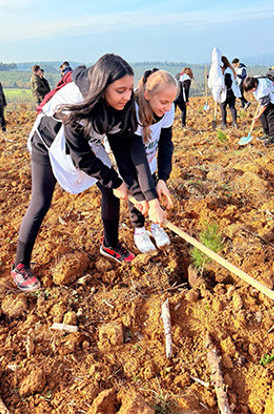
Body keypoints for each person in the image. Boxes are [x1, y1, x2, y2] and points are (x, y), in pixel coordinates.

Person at [13, 54, 167, 292]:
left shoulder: (121, 105)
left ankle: (110, 244)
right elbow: (81, 157)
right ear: (102, 87)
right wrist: (116, 182)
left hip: (89, 138)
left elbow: (128, 149)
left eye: (130, 89)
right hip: (49, 141)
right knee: (41, 201)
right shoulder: (77, 106)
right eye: (120, 90)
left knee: (110, 187)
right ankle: (20, 265)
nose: (128, 96)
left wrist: (146, 195)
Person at [128, 69, 178, 253]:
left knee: (154, 184)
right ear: (148, 95)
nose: (167, 107)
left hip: (148, 159)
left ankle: (155, 226)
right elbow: (136, 155)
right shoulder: (131, 110)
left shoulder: (168, 109)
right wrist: (151, 201)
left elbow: (166, 143)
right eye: (164, 102)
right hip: (130, 162)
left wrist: (163, 178)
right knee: (139, 197)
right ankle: (139, 229)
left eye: (171, 102)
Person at [241, 74, 274, 145]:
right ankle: (266, 134)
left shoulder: (262, 89)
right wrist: (259, 115)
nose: (251, 91)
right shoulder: (254, 79)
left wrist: (257, 116)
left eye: (251, 89)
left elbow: (264, 105)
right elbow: (262, 102)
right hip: (267, 97)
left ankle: (271, 137)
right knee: (262, 116)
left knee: (272, 117)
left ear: (255, 84)